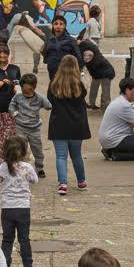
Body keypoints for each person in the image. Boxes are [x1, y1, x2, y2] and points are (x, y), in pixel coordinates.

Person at [0, 134, 38, 267]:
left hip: (7, 209)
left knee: (7, 239)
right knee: (24, 238)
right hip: (23, 208)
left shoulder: (3, 167)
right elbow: (35, 180)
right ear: (24, 152)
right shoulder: (27, 167)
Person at [47, 54, 91, 196]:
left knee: (61, 156)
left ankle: (63, 184)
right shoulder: (79, 84)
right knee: (76, 155)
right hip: (76, 125)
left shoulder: (54, 84)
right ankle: (81, 181)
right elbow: (84, 96)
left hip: (59, 124)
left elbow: (50, 101)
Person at [9, 72, 52, 178]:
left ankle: (39, 167)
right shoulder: (18, 97)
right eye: (26, 88)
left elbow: (49, 105)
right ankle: (21, 166)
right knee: (20, 147)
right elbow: (11, 106)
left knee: (37, 148)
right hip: (20, 127)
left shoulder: (39, 98)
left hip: (34, 128)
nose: (28, 90)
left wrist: (48, 103)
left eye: (31, 87)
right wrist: (14, 114)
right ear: (22, 86)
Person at [98, 77, 134, 162]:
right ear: (128, 90)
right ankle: (116, 155)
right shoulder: (125, 106)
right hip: (116, 139)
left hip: (108, 139)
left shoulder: (119, 101)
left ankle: (111, 151)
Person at [82, 38, 115, 110]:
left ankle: (104, 106)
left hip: (104, 71)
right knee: (95, 87)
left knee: (104, 89)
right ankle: (93, 104)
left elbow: (88, 59)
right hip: (100, 70)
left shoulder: (85, 48)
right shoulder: (88, 45)